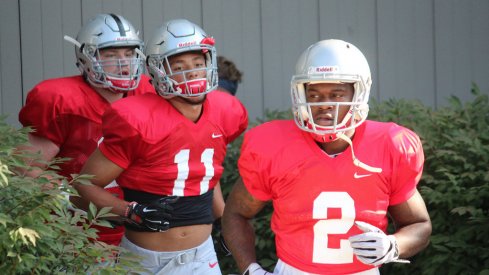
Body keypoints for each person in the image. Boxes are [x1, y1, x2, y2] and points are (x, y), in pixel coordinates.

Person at [222, 39, 432, 275]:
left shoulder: (389, 146)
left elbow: (419, 225)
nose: (324, 104)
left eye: (336, 94)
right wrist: (250, 269)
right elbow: (236, 214)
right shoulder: (275, 147)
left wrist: (393, 245)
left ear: (359, 92)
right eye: (314, 94)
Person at [74, 19, 248, 274]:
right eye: (179, 67)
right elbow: (83, 185)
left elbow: (207, 170)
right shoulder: (137, 120)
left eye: (198, 65)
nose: (192, 73)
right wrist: (130, 210)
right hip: (145, 261)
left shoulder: (225, 111)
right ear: (158, 71)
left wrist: (224, 220)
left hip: (202, 257)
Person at [18, 13, 154, 246]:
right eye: (111, 55)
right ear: (87, 58)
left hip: (137, 231)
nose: (124, 64)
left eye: (129, 54)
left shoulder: (146, 91)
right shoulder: (59, 99)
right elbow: (26, 169)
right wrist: (71, 198)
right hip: (75, 233)